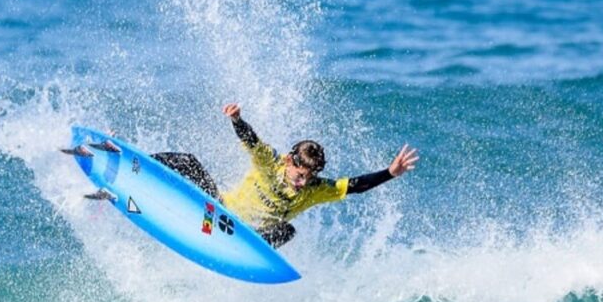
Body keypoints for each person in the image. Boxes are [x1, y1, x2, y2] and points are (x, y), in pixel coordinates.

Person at [155, 103, 419, 248]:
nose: (303, 183)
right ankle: (131, 161)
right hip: (217, 209)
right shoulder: (269, 162)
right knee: (188, 162)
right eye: (300, 175)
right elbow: (251, 139)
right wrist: (237, 120)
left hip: (246, 236)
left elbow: (354, 186)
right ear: (290, 161)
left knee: (287, 230)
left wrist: (390, 173)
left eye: (309, 177)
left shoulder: (316, 188)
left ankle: (248, 248)